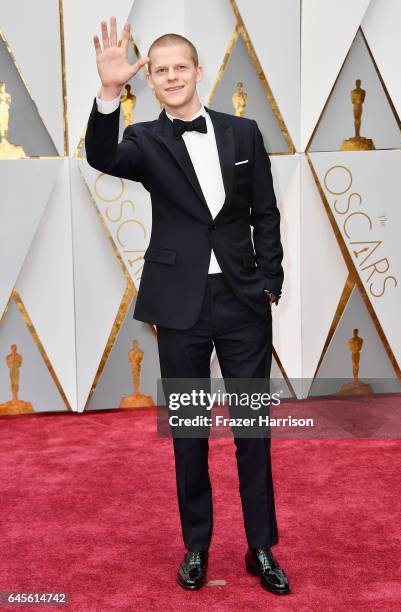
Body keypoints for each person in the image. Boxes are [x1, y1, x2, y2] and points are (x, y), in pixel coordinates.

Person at [85, 17, 290, 595]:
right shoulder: (143, 140)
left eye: (182, 68)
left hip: (244, 301)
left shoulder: (243, 132)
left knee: (253, 427)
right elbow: (101, 156)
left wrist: (269, 281)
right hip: (179, 306)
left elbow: (265, 213)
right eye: (161, 70)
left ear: (201, 73)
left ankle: (260, 548)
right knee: (190, 429)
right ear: (149, 80)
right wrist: (107, 93)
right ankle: (197, 546)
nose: (173, 77)